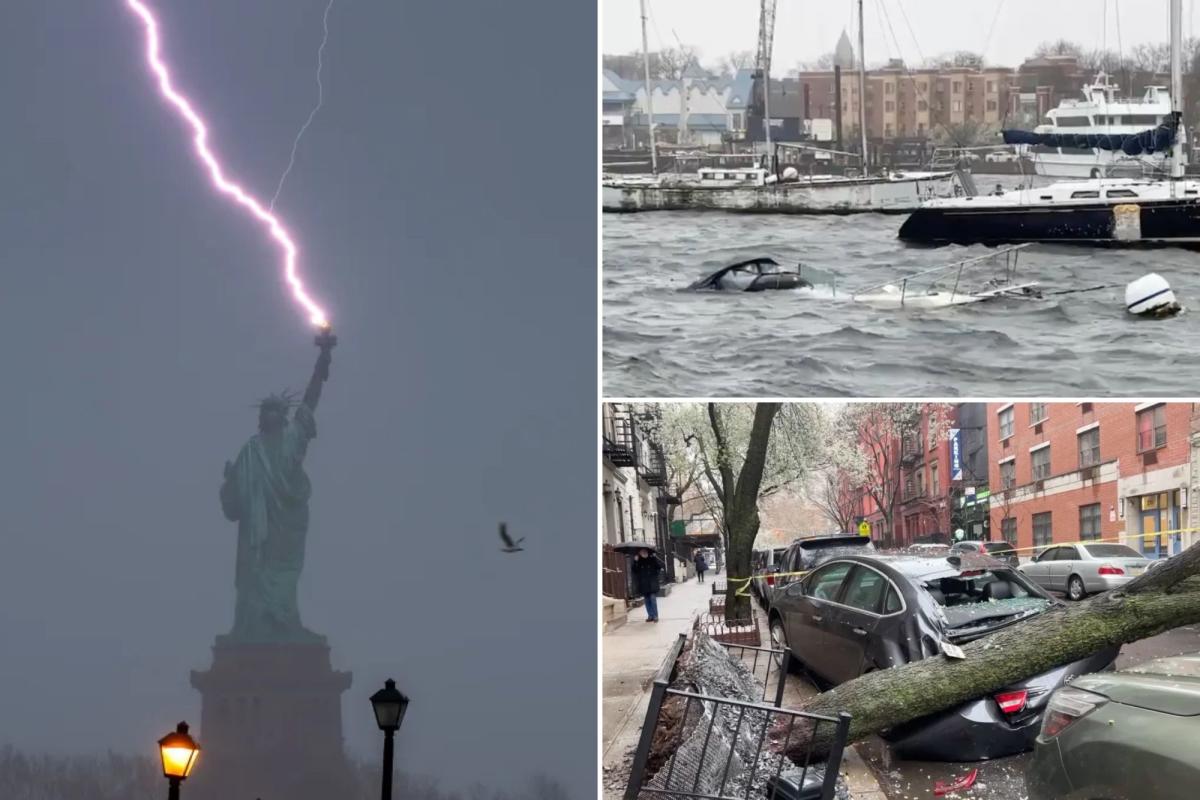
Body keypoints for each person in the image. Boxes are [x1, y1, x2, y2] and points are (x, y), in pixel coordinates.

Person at [631, 548, 663, 622]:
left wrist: (655, 558)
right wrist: (635, 561)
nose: (643, 553)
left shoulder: (652, 559)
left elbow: (659, 567)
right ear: (640, 553)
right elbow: (634, 570)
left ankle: (655, 616)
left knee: (653, 599)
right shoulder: (638, 561)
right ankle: (650, 616)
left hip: (652, 583)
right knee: (647, 600)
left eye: (645, 552)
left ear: (647, 552)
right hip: (644, 584)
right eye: (642, 552)